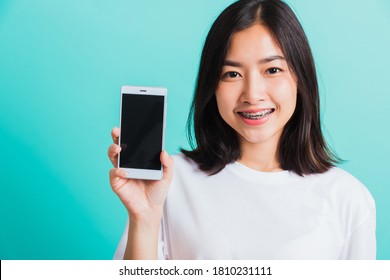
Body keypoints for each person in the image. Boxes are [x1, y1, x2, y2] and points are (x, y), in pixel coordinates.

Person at [108, 0, 376, 259]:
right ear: (212, 85)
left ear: (300, 78)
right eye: (232, 74)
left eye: (272, 69)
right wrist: (144, 216)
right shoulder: (170, 182)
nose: (253, 94)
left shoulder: (348, 198)